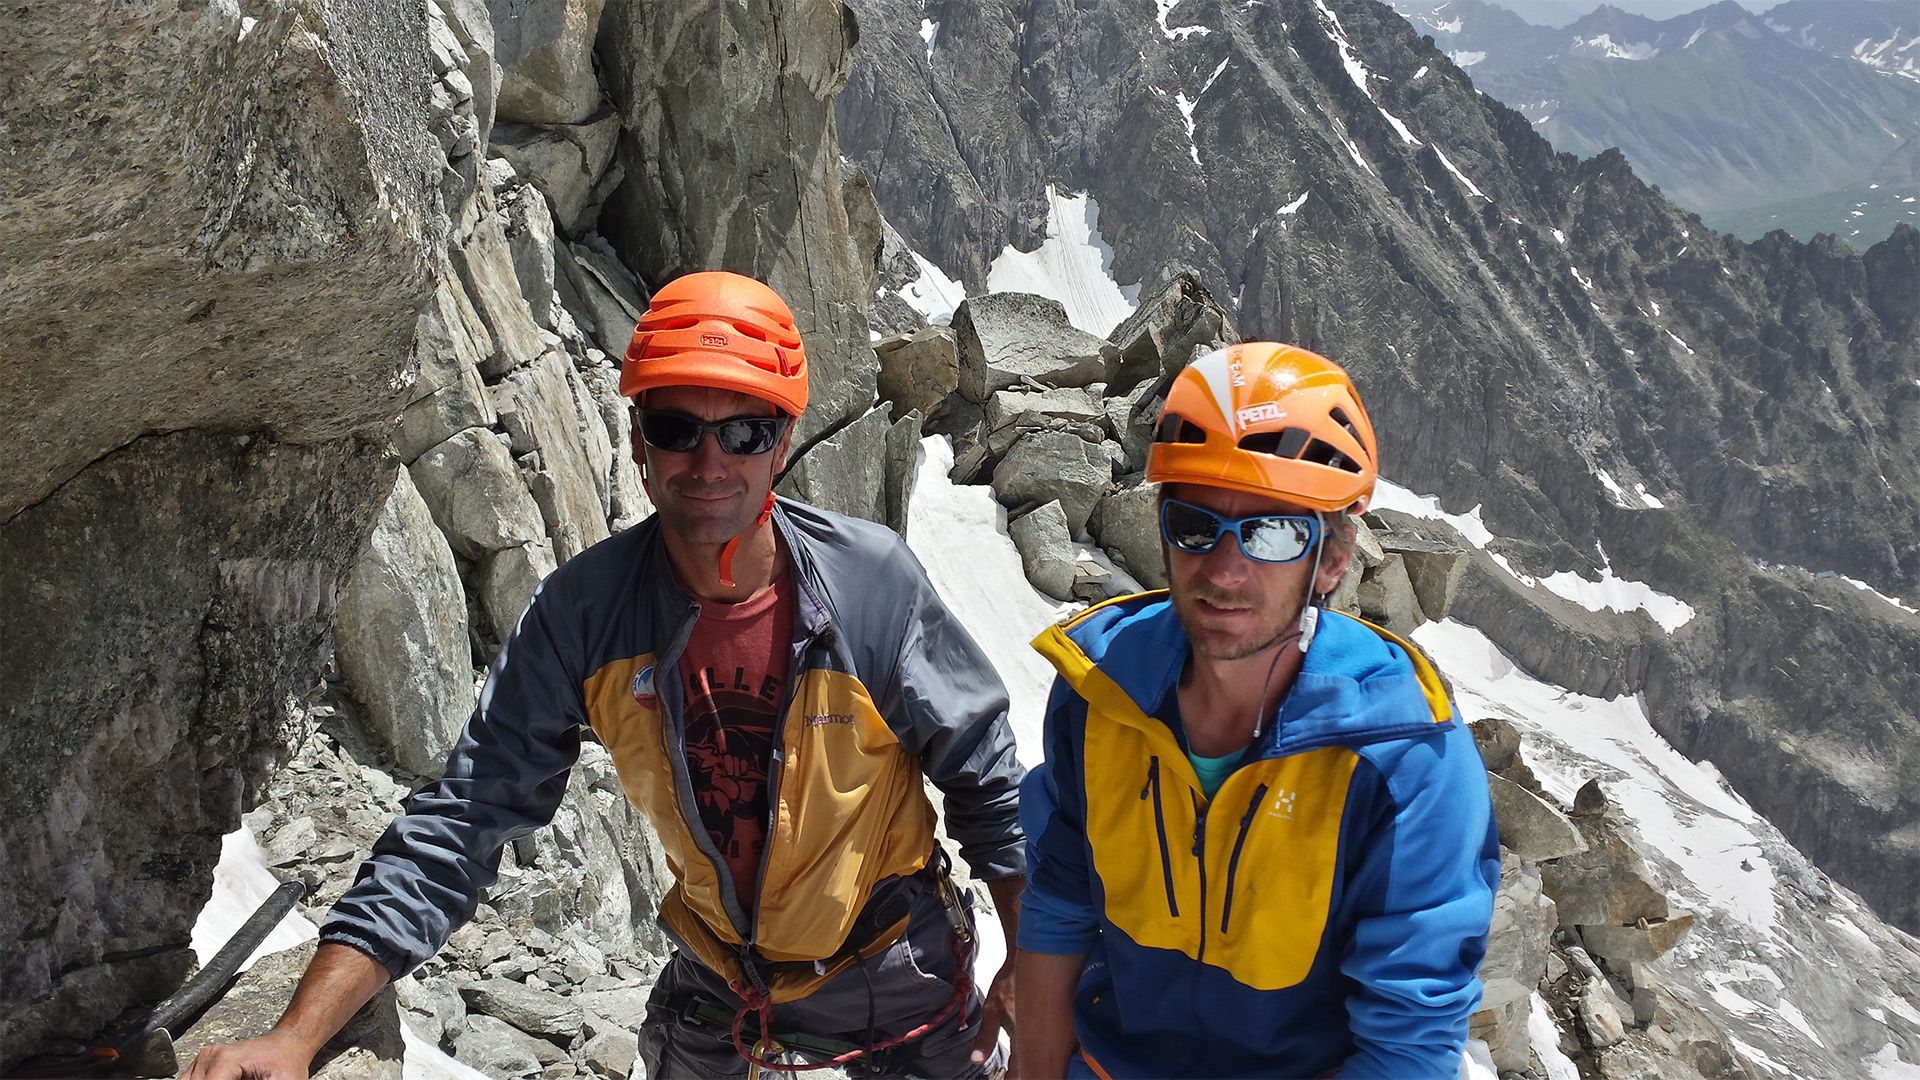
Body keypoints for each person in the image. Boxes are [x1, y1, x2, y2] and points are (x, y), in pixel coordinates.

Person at [186, 271, 1025, 1080]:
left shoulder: (868, 586)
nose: (709, 461)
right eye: (675, 428)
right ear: (637, 442)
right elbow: (466, 818)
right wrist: (296, 1038)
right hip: (724, 973)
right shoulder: (586, 614)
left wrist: (1026, 960)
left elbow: (987, 782)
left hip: (893, 967)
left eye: (744, 432)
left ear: (782, 446)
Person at [1012, 342, 1499, 1079]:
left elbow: (1408, 1044)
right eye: (1196, 526)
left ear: (1333, 559)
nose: (1225, 570)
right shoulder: (1100, 697)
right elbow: (1060, 904)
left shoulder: (1405, 760)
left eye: (1273, 531)